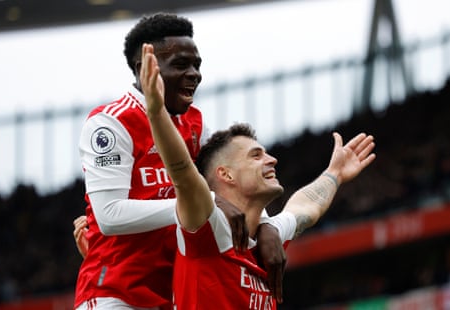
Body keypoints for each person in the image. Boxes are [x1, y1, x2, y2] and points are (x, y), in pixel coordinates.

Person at [139, 42, 376, 308]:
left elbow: (306, 208)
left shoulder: (268, 235)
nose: (271, 159)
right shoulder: (209, 226)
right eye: (256, 155)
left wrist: (334, 174)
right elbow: (182, 171)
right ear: (225, 174)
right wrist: (157, 113)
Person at [74, 12, 285, 310]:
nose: (195, 74)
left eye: (197, 65)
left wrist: (266, 226)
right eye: (181, 65)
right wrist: (204, 204)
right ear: (144, 68)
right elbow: (109, 216)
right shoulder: (110, 123)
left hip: (171, 295)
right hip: (115, 294)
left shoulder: (196, 125)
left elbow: (231, 184)